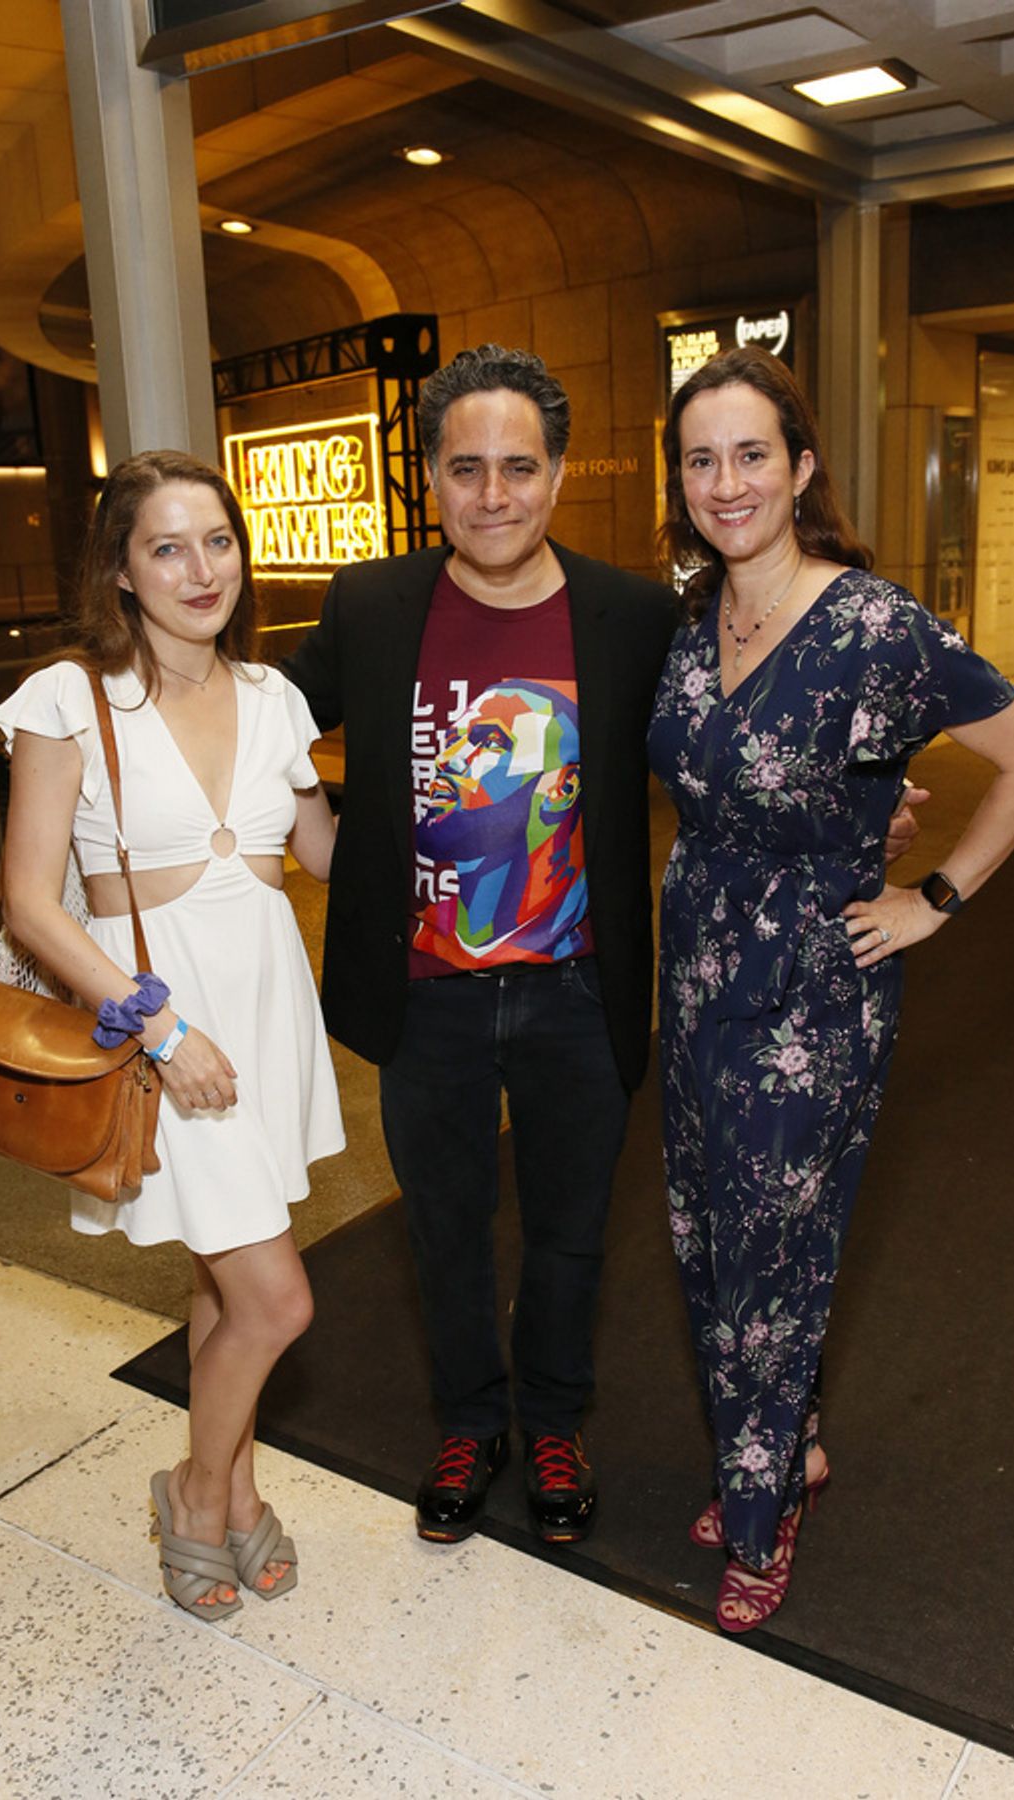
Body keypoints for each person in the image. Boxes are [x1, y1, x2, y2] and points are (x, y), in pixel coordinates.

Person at [648, 347, 1014, 1633]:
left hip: (812, 991)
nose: (727, 482)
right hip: (696, 969)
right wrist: (870, 806)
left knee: (777, 1251)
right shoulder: (691, 615)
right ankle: (785, 1444)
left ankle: (764, 1510)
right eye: (702, 458)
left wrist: (928, 897)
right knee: (708, 1239)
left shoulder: (875, 627)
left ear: (802, 466)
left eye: (752, 454)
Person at [284, 346, 681, 1545]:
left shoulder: (631, 614)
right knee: (442, 1227)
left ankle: (554, 1419)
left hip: (576, 991)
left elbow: (723, 747)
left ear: (558, 476)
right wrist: (319, 839)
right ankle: (472, 1416)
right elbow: (257, 727)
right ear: (433, 479)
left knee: (567, 1232)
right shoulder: (372, 603)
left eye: (519, 466)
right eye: (468, 467)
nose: (494, 493)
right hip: (428, 999)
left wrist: (859, 804)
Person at [0, 449, 344, 1621]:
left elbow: (329, 855)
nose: (203, 570)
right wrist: (158, 1028)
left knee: (221, 1267)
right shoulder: (69, 699)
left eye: (219, 542)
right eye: (168, 547)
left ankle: (235, 1494)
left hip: (264, 1019)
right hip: (163, 1030)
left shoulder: (274, 699)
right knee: (275, 1300)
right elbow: (33, 902)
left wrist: (482, 806)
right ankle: (198, 1494)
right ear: (123, 570)